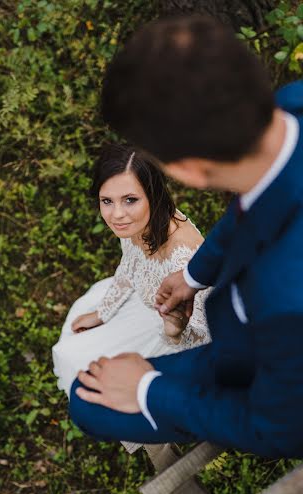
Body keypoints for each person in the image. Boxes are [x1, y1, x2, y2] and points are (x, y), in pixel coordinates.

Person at [69, 16, 303, 458]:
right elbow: (255, 204)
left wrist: (148, 390)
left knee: (86, 401)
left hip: (261, 365)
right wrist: (195, 275)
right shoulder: (294, 103)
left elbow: (279, 430)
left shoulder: (283, 295)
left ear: (187, 172)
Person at [52, 143, 210, 398]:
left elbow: (203, 339)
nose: (116, 215)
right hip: (145, 306)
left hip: (177, 342)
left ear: (153, 195)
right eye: (107, 201)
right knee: (73, 351)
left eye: (130, 200)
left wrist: (174, 331)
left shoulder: (183, 258)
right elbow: (130, 265)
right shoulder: (139, 223)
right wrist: (103, 312)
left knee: (95, 375)